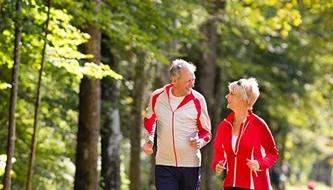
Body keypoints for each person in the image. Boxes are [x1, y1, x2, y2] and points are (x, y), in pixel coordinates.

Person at [143, 59, 212, 190]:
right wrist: (149, 139)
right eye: (188, 81)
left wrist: (200, 141)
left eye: (193, 79)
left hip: (190, 165)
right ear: (174, 80)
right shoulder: (157, 96)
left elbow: (206, 132)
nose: (192, 84)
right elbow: (149, 120)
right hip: (164, 164)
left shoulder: (198, 100)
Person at [212, 78, 279, 190]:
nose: (227, 96)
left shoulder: (259, 125)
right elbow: (219, 152)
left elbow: (273, 153)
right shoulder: (224, 126)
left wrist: (260, 163)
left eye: (231, 94)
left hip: (255, 186)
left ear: (242, 100)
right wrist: (217, 164)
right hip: (230, 185)